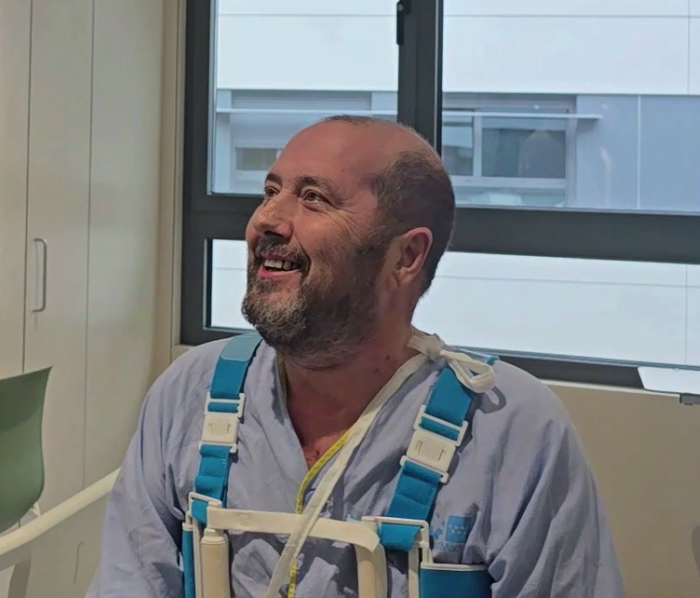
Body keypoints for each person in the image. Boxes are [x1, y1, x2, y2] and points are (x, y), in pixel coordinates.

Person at [87, 116, 625, 598]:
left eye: (314, 197)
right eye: (270, 191)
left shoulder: (511, 431)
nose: (266, 222)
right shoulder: (191, 394)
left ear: (406, 256)